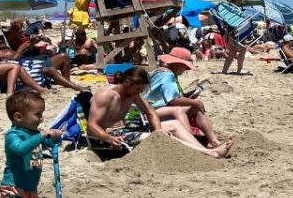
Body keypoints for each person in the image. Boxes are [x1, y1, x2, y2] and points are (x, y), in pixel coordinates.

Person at [88, 67, 231, 158]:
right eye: (139, 89)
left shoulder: (132, 94)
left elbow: (150, 112)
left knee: (174, 124)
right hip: (109, 136)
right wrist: (108, 138)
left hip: (126, 130)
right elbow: (92, 126)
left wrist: (158, 132)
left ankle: (202, 152)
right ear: (128, 83)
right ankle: (210, 153)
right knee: (147, 137)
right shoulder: (106, 96)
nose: (140, 93)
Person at [3, 90, 64, 198]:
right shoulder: (13, 135)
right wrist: (41, 135)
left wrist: (54, 138)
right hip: (14, 186)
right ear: (18, 116)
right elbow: (20, 149)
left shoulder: (32, 132)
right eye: (38, 114)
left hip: (29, 186)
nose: (41, 118)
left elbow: (49, 144)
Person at [146, 47, 226, 148]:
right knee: (184, 109)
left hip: (153, 108)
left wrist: (189, 99)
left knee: (194, 108)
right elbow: (173, 100)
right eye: (185, 67)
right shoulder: (167, 75)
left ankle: (213, 142)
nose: (185, 70)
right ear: (178, 65)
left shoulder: (160, 72)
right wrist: (194, 102)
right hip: (151, 111)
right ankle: (193, 144)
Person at [1, 20, 84, 92]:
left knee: (64, 57)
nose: (21, 27)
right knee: (49, 69)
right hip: (27, 64)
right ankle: (71, 86)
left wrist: (39, 43)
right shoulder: (9, 38)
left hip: (37, 59)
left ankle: (67, 82)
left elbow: (29, 48)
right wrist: (27, 45)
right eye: (19, 24)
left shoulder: (20, 34)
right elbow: (14, 57)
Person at [218, 0, 249, 75]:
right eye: (239, 0)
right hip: (230, 34)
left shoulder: (230, 10)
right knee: (243, 49)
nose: (240, 1)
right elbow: (230, 23)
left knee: (232, 53)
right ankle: (239, 70)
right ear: (234, 1)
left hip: (229, 34)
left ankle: (224, 71)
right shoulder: (231, 11)